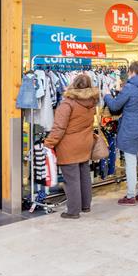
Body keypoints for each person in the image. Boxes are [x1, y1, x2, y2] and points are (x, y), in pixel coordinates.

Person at [44, 75, 99, 219]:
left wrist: (48, 144)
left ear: (73, 84)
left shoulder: (67, 104)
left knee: (71, 179)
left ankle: (73, 211)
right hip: (85, 142)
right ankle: (85, 205)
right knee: (84, 175)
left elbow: (59, 128)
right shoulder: (92, 101)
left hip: (69, 146)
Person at [104, 61, 138, 205]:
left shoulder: (130, 87)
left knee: (131, 163)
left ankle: (131, 196)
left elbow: (114, 106)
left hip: (130, 129)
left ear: (132, 72)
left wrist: (107, 95)